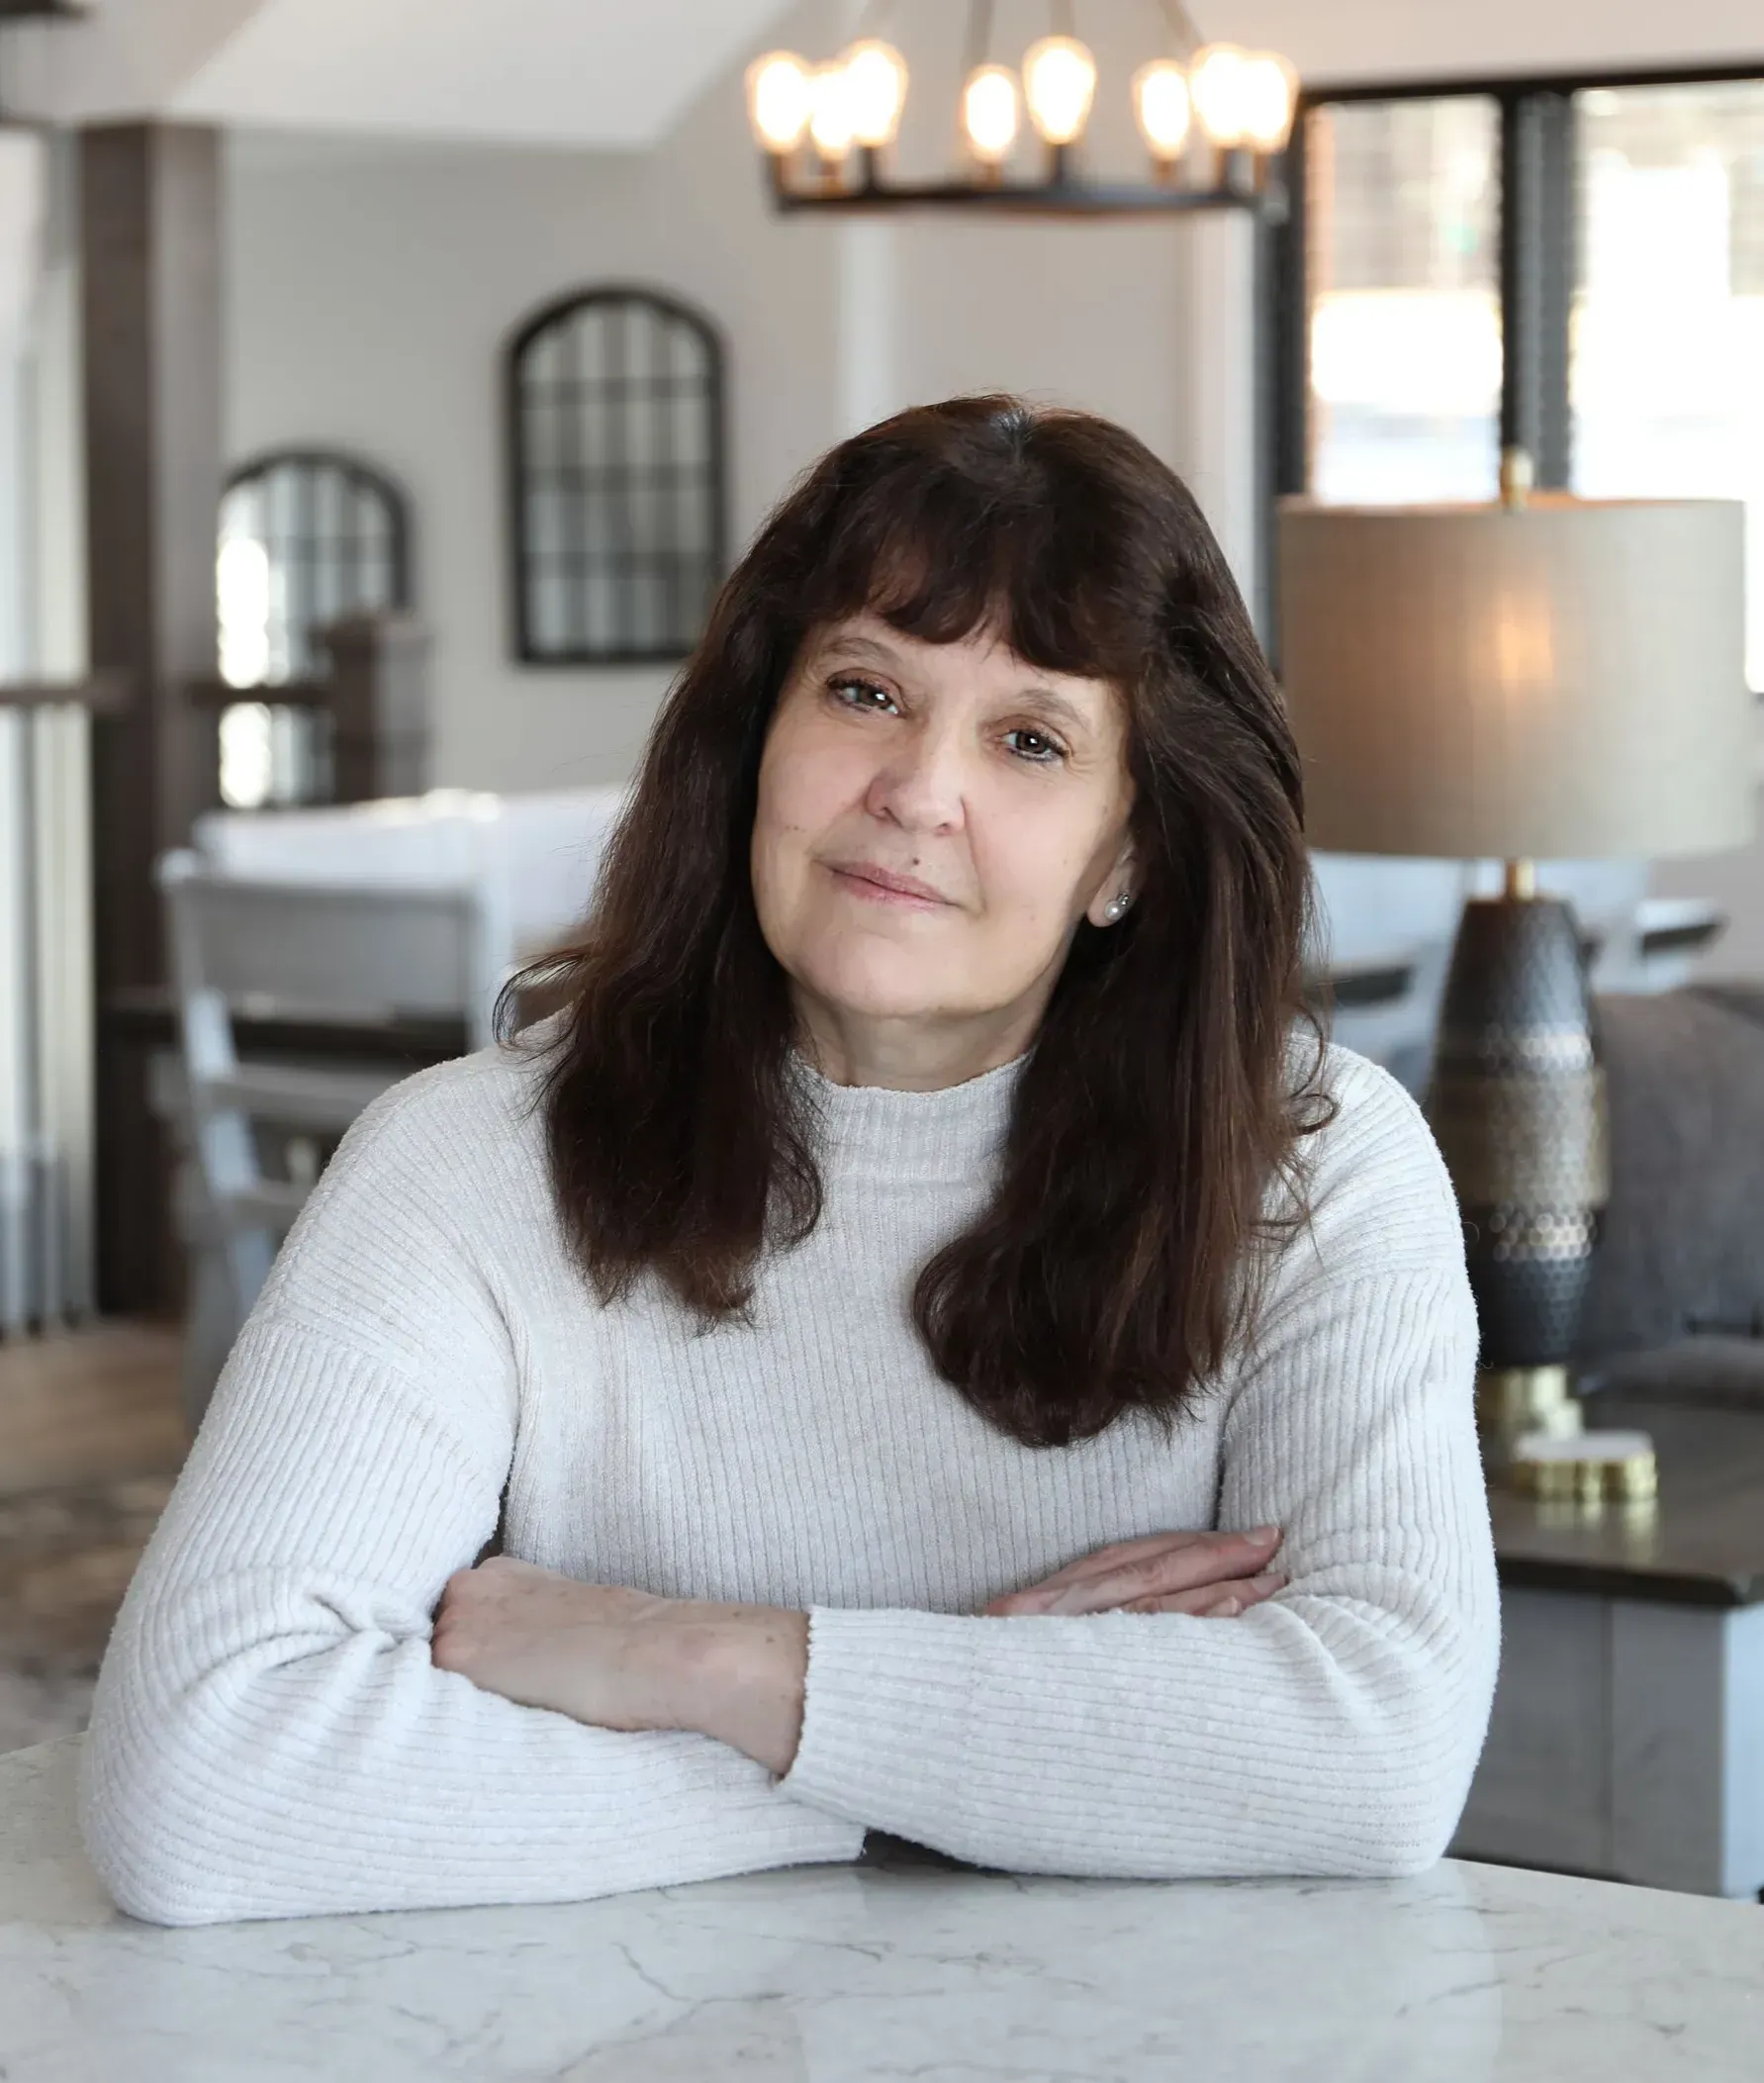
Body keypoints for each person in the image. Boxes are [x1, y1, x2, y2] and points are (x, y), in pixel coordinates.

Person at [80, 397, 1498, 1926]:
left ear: (1129, 855)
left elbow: (1379, 1751)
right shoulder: (462, 1167)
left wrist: (681, 1658)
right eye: (864, 690)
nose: (915, 789)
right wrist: (972, 1742)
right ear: (758, 730)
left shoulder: (1315, 1171)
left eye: (1028, 738)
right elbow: (200, 1781)